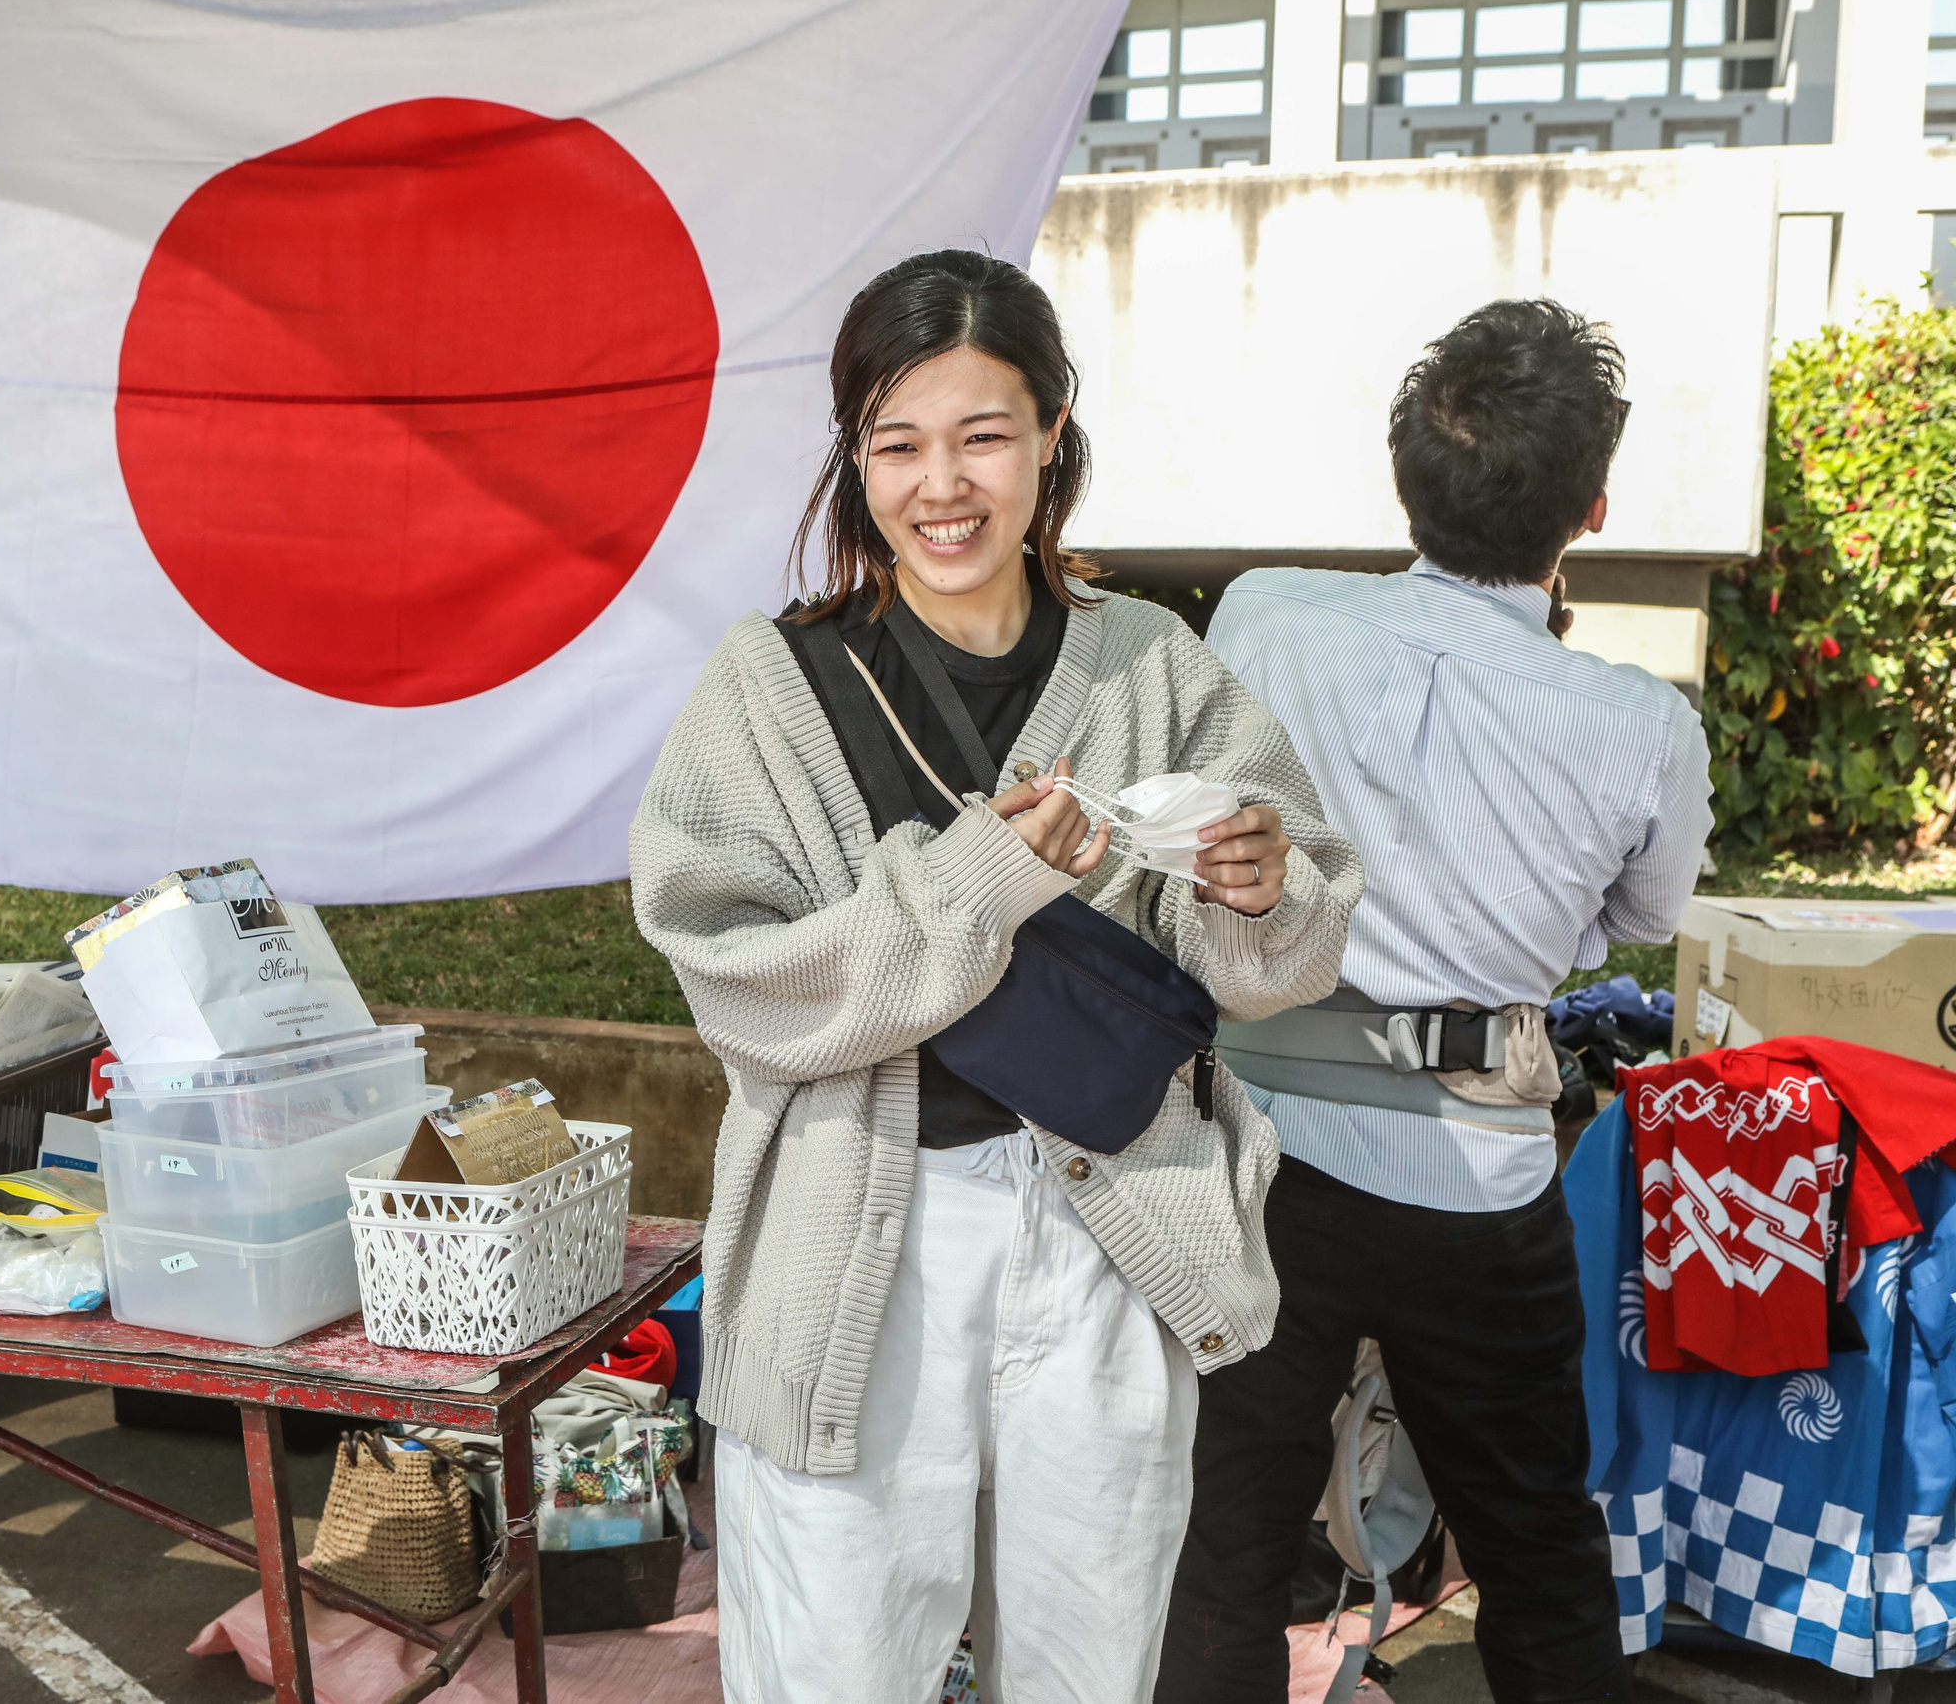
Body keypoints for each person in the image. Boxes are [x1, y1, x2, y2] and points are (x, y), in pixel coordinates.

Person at [628, 249, 1363, 1704]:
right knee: (836, 1662)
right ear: (855, 459)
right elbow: (741, 984)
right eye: (897, 444)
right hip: (858, 1238)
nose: (940, 485)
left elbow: (1291, 935)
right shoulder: (767, 689)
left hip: (1105, 1235)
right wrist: (980, 880)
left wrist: (1261, 889)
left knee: (1088, 1666)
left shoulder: (1150, 661)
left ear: (1050, 437)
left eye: (983, 435)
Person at [1156, 301, 1711, 1704]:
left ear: (1405, 475)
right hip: (1478, 1179)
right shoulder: (1642, 724)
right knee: (1533, 1542)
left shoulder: (1269, 610)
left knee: (1221, 1550)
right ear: (1589, 508)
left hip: (1269, 1160)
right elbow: (1637, 925)